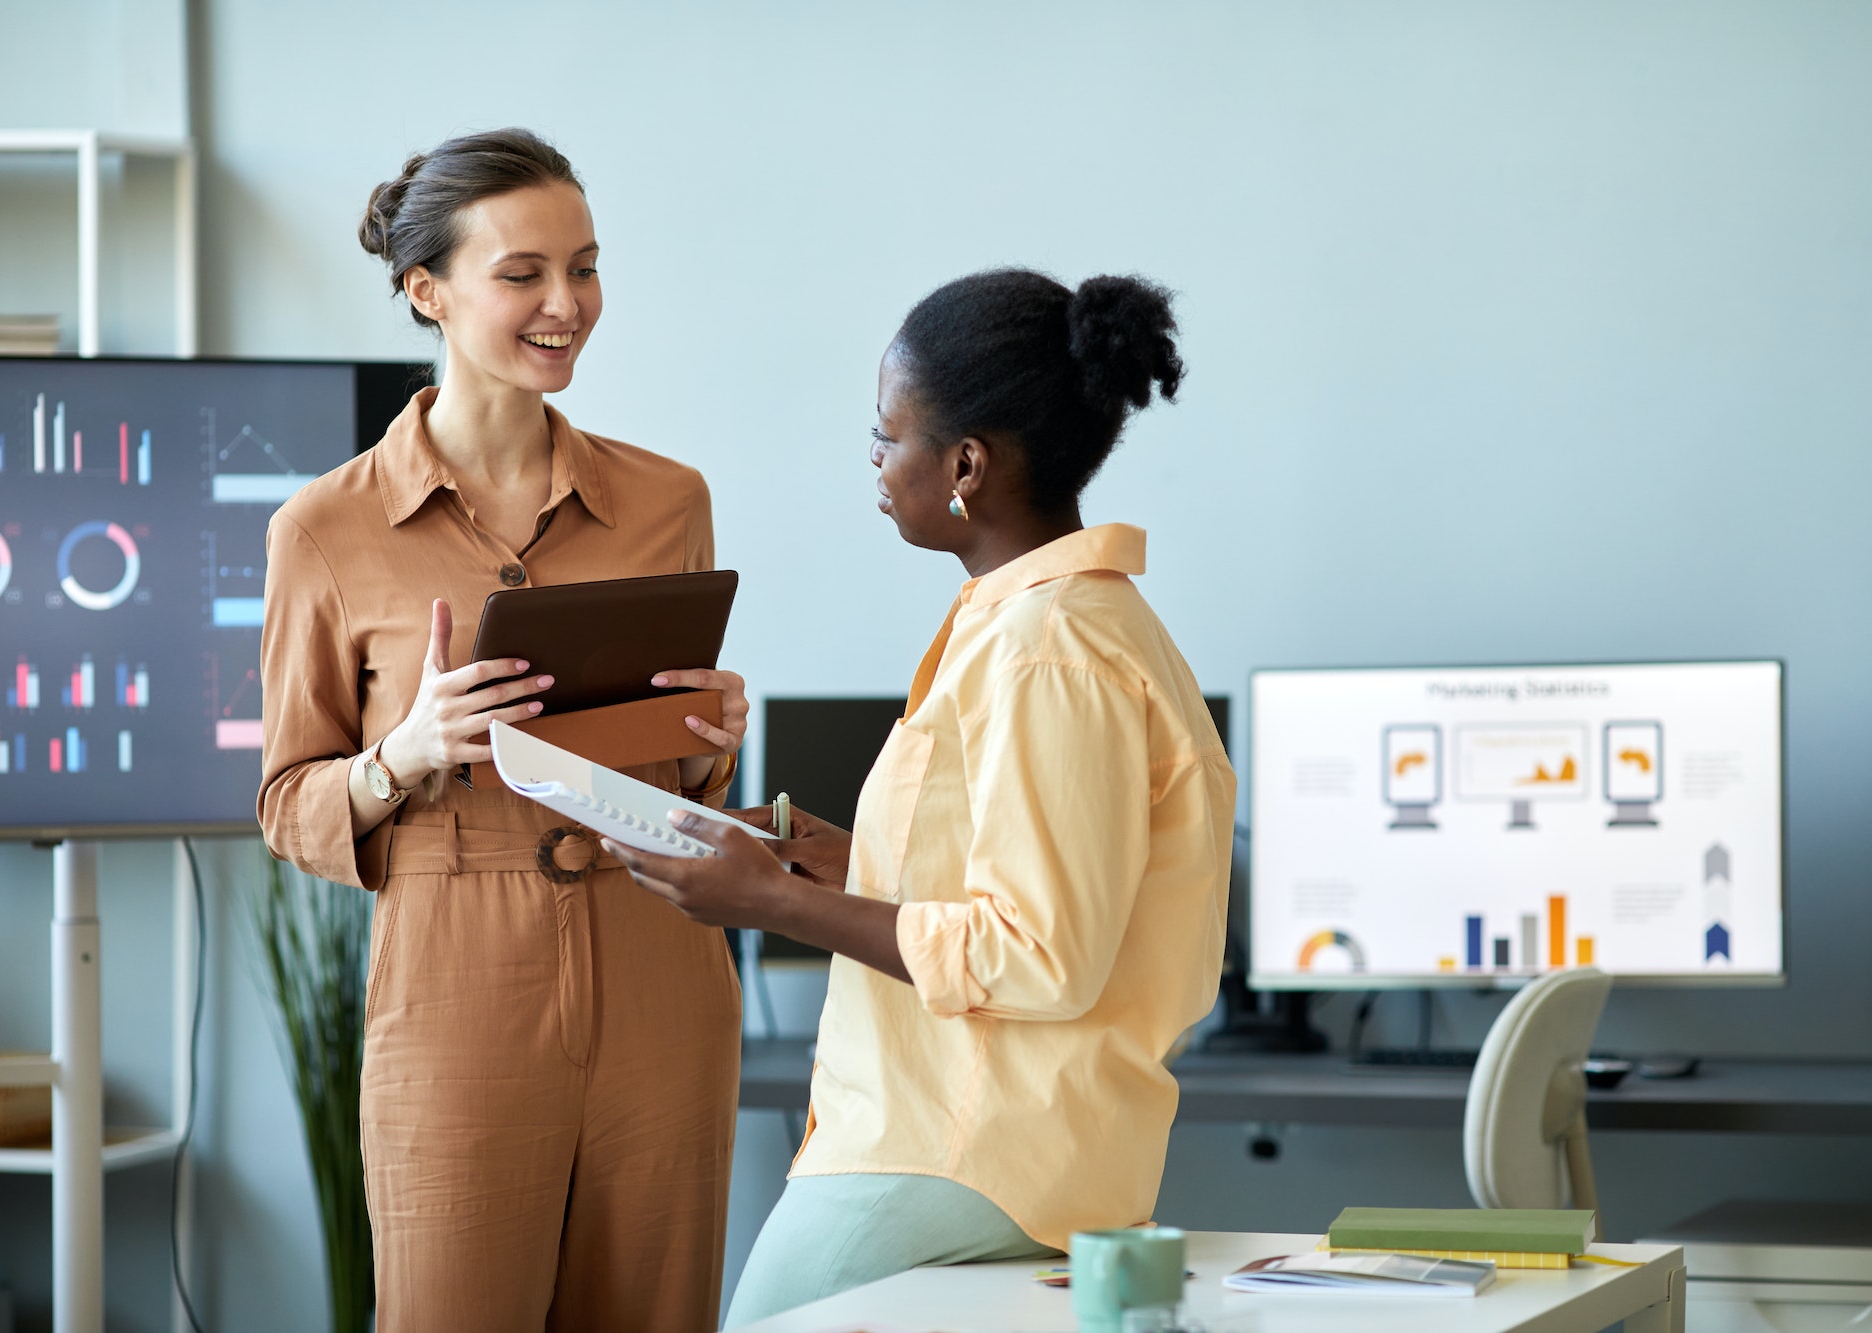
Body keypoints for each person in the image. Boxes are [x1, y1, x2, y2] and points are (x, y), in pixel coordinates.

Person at [608, 268, 1236, 1321]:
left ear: (964, 465)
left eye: (885, 434)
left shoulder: (1049, 648)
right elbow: (1021, 879)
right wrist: (846, 860)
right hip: (994, 1143)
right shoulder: (1045, 622)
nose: (872, 458)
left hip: (967, 1144)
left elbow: (1041, 953)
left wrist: (768, 902)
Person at [258, 128, 748, 1333]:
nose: (566, 303)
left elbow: (681, 774)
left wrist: (715, 728)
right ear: (426, 290)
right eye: (522, 273)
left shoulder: (667, 499)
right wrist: (402, 755)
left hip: (660, 964)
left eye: (583, 268)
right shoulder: (324, 529)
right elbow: (287, 803)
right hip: (453, 980)